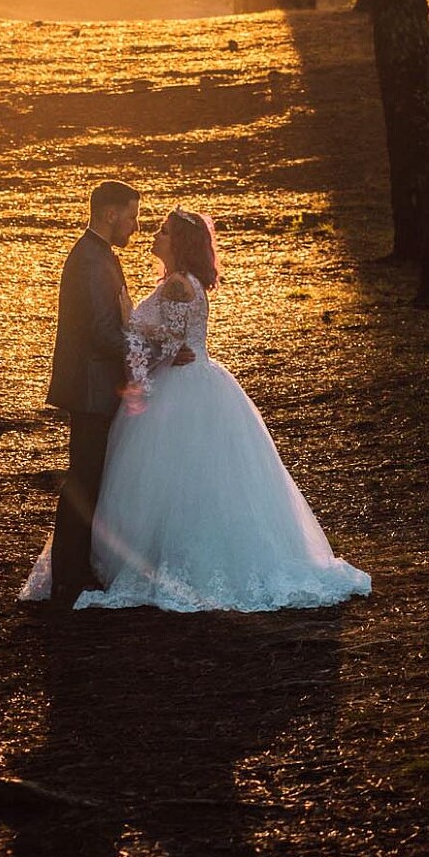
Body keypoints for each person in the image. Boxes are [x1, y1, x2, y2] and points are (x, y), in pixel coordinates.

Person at [23, 207, 370, 613]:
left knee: (176, 478)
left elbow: (167, 345)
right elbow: (166, 338)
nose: (155, 233)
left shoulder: (176, 286)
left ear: (179, 244)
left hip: (181, 391)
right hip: (193, 382)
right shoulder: (178, 283)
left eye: (164, 231)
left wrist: (136, 349)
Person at [43, 181, 184, 608]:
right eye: (132, 216)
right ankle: (68, 578)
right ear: (109, 214)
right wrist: (157, 350)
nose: (136, 227)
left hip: (95, 386)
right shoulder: (90, 261)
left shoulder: (99, 257)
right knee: (83, 481)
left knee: (89, 478)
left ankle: (75, 570)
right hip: (90, 389)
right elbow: (103, 333)